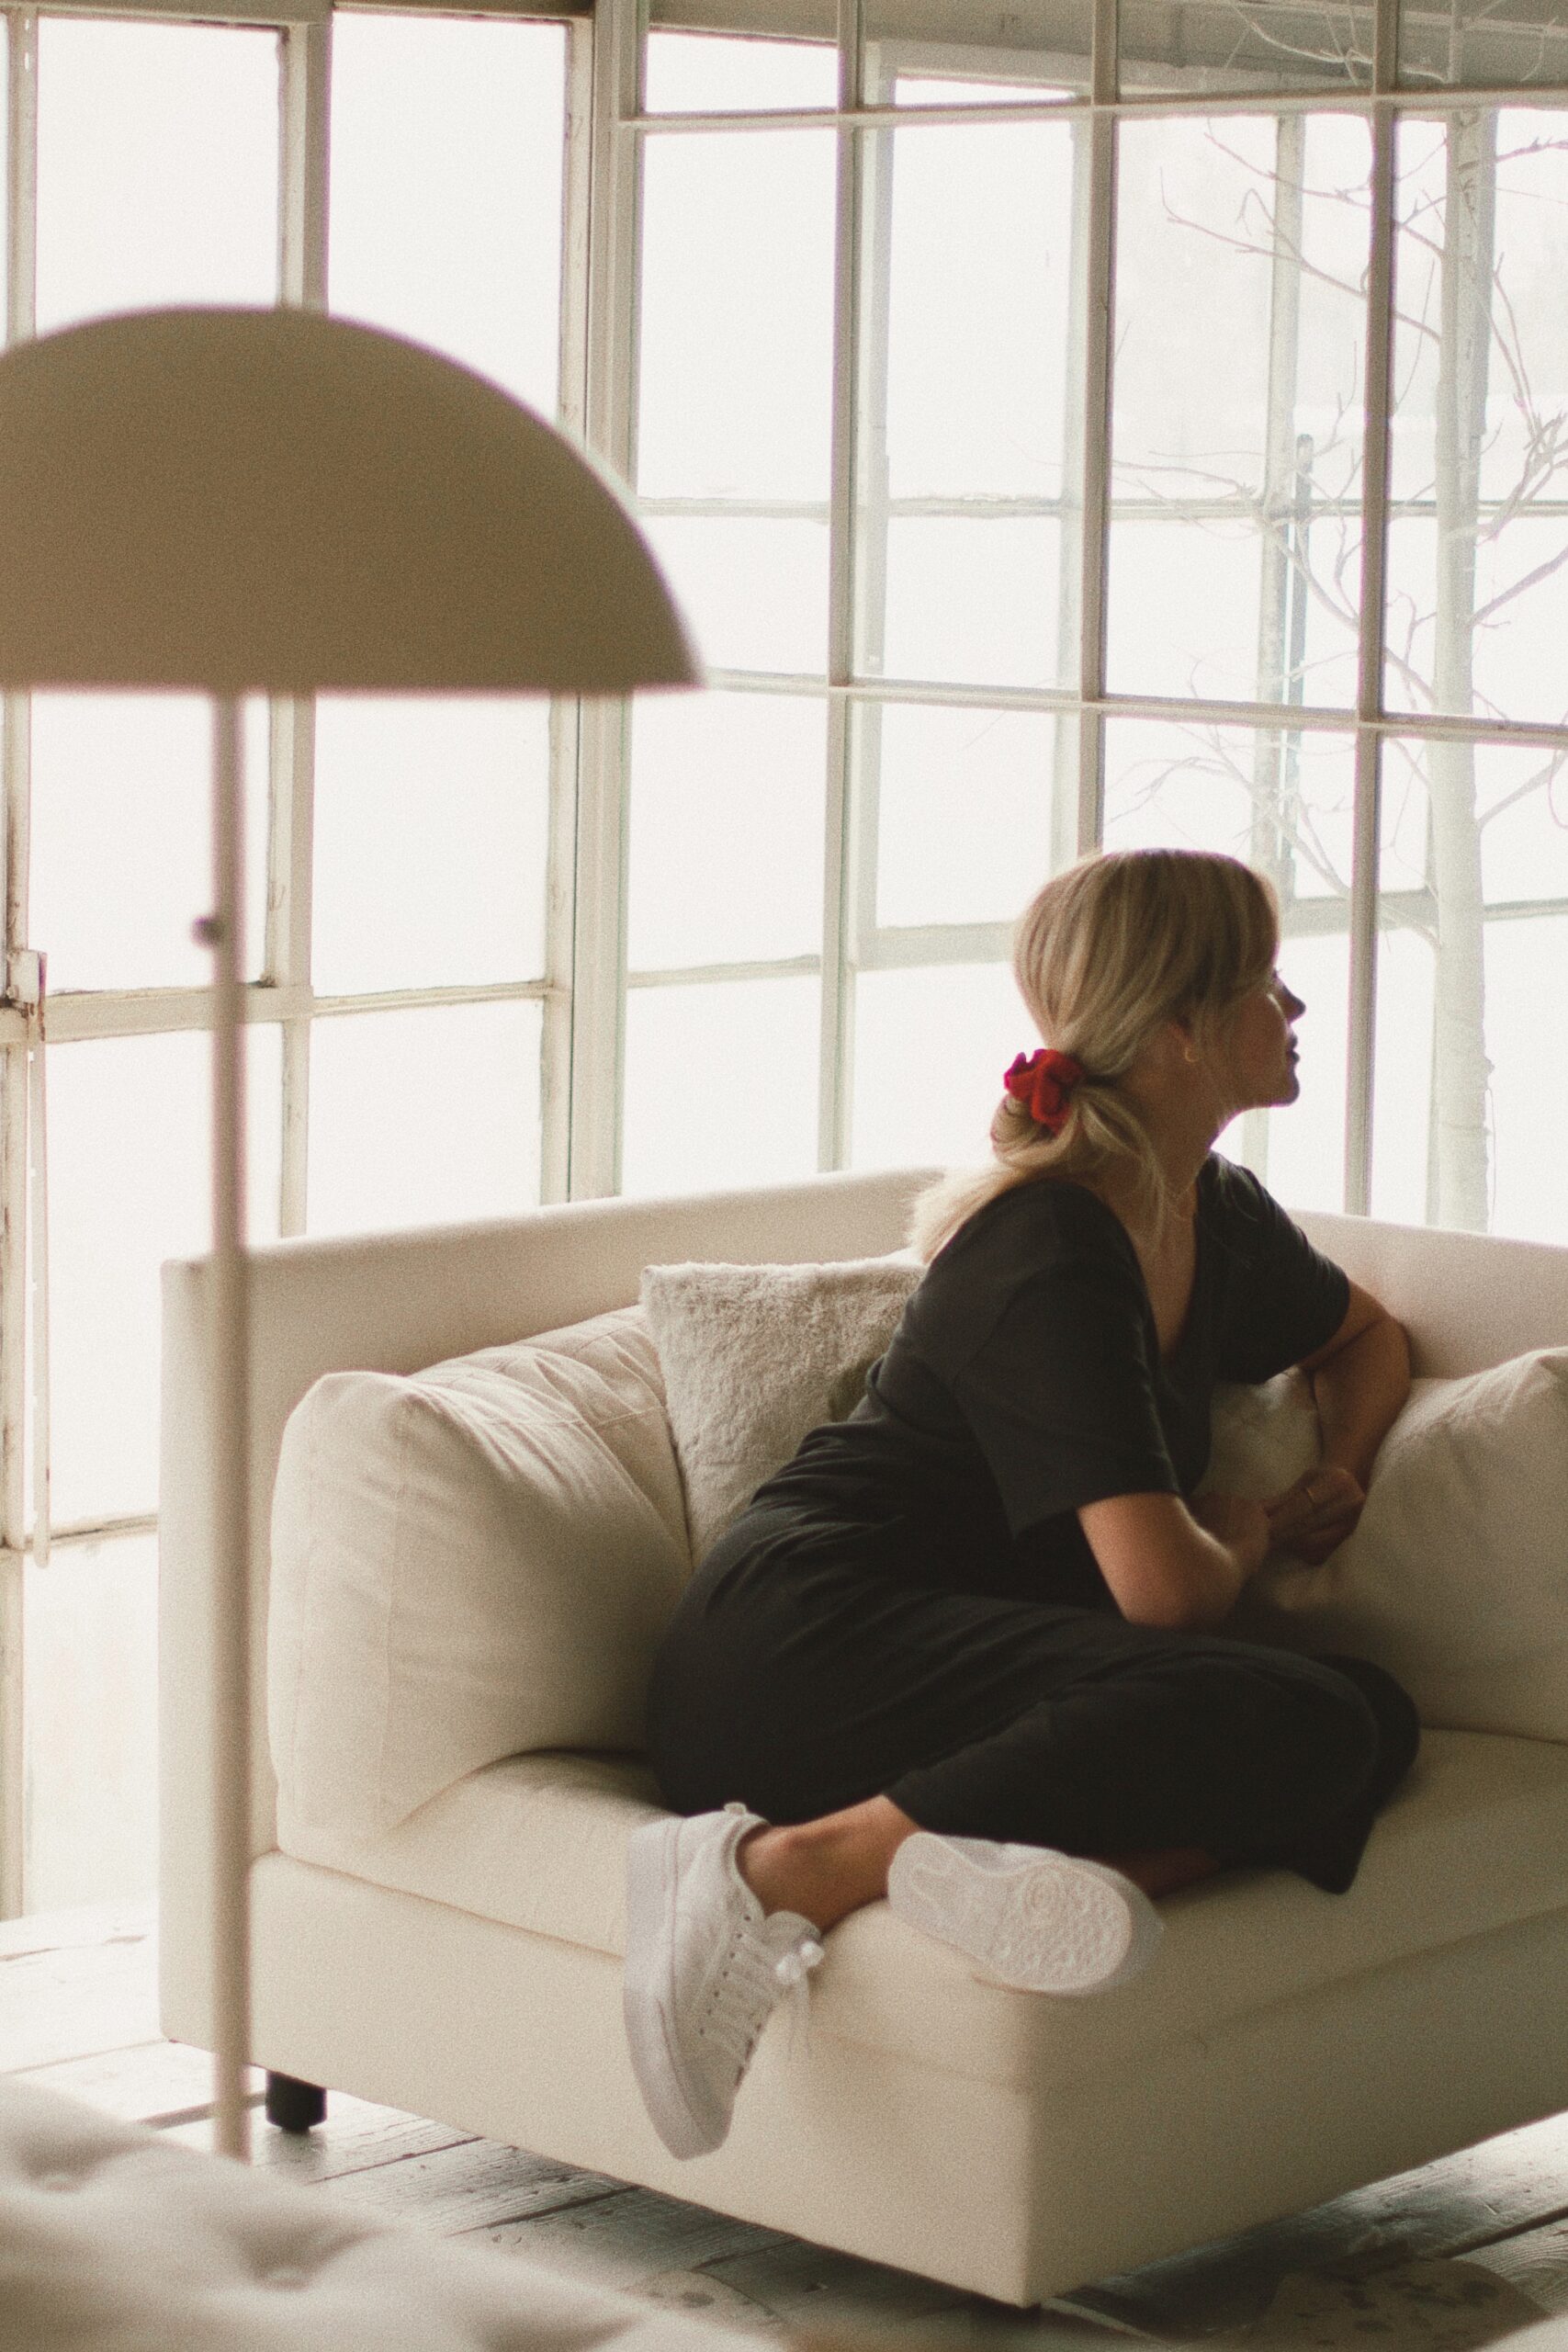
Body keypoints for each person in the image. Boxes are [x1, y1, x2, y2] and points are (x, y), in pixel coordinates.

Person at [622, 847, 1417, 2164]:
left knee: (1369, 1716)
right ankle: (780, 1871)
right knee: (1257, 1698)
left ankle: (1035, 1876)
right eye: (1267, 986)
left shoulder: (1206, 1210)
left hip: (964, 1668)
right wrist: (1256, 1528)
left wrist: (1346, 1466)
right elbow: (1165, 1597)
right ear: (1176, 1032)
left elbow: (1367, 1336)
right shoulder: (1049, 1243)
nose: (1296, 1012)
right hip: (802, 1651)